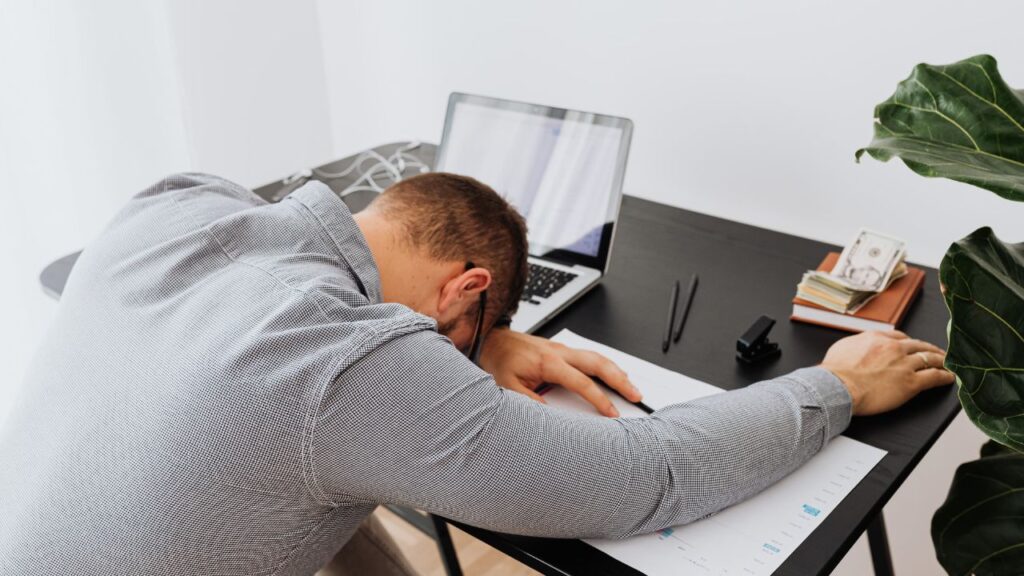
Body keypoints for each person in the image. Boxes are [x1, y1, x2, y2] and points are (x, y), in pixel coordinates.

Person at [0, 172, 953, 575]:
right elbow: (642, 477)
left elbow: (292, 421)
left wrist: (475, 335)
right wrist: (837, 386)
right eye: (469, 325)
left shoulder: (173, 205)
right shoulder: (344, 366)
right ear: (467, 288)